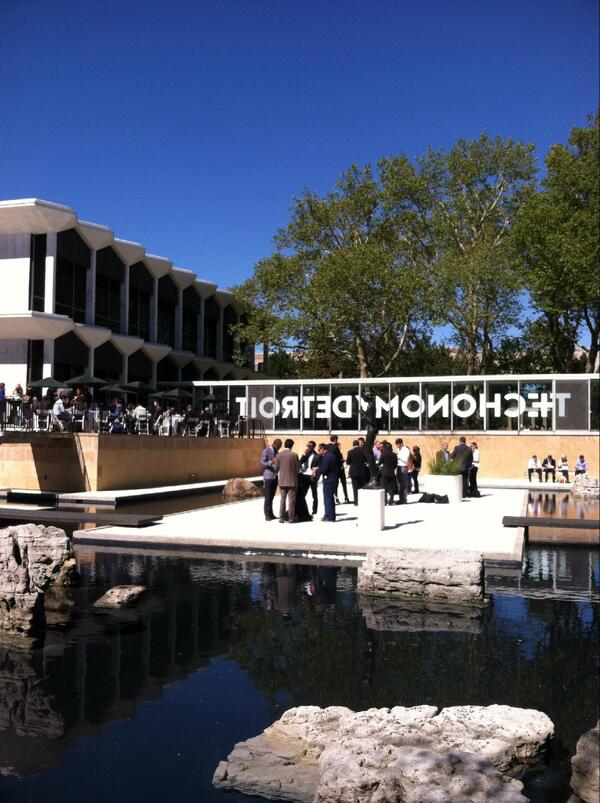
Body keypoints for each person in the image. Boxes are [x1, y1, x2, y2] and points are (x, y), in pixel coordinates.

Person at [274, 439, 300, 523]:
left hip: (282, 481)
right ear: (291, 446)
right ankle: (291, 518)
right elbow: (298, 467)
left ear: (284, 445)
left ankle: (281, 518)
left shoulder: (279, 455)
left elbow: (276, 469)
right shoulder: (294, 455)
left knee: (282, 500)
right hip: (292, 481)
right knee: (291, 501)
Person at [313, 442, 338, 522]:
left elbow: (324, 469)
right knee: (330, 498)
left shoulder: (326, 457)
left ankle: (329, 516)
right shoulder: (331, 455)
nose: (318, 451)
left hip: (329, 480)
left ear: (323, 449)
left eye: (319, 450)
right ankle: (330, 515)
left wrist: (317, 470)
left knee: (328, 499)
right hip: (333, 479)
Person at [260, 438, 282, 521]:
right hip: (268, 477)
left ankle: (271, 514)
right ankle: (267, 515)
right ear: (275, 444)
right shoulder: (266, 450)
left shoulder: (277, 452)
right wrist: (270, 462)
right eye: (279, 446)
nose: (279, 448)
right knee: (268, 497)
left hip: (275, 476)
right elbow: (262, 462)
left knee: (272, 496)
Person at [300, 440, 320, 516]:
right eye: (307, 446)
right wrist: (304, 454)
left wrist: (316, 476)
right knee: (302, 494)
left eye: (310, 446)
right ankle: (303, 510)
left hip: (312, 476)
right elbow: (299, 462)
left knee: (314, 495)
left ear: (314, 447)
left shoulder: (317, 456)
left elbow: (320, 466)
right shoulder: (305, 454)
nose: (308, 447)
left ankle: (314, 511)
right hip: (305, 476)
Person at [347, 438, 369, 505]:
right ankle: (362, 500)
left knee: (355, 487)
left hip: (353, 472)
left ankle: (356, 502)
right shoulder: (363, 451)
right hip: (362, 471)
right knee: (361, 487)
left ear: (353, 445)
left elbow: (348, 462)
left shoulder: (350, 452)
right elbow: (366, 460)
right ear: (358, 444)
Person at [330, 434, 350, 504]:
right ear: (335, 439)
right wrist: (343, 460)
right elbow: (339, 458)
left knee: (337, 484)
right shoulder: (335, 448)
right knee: (342, 483)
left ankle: (337, 497)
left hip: (334, 469)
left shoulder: (328, 447)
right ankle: (345, 497)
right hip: (339, 468)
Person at [379, 441, 398, 505]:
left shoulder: (383, 454)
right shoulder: (394, 454)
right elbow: (395, 465)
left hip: (384, 473)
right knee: (391, 488)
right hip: (392, 473)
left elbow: (379, 463)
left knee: (384, 487)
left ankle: (384, 501)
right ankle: (391, 500)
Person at [394, 438, 411, 504]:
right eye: (397, 445)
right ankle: (400, 499)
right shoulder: (398, 449)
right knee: (399, 484)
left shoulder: (406, 449)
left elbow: (406, 460)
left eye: (398, 445)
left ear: (401, 443)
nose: (397, 446)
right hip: (398, 467)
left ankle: (404, 499)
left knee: (404, 484)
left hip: (403, 467)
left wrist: (399, 456)